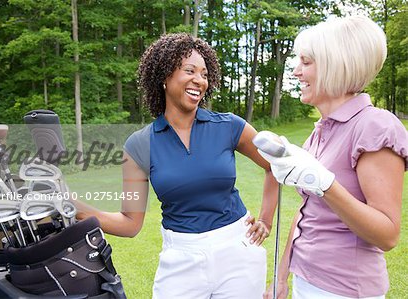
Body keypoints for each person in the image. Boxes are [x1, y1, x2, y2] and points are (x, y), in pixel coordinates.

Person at [76, 33, 279, 298]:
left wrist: (265, 219)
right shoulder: (139, 145)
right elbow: (129, 223)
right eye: (190, 70)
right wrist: (72, 207)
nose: (200, 80)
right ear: (164, 77)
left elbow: (275, 165)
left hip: (238, 252)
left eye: (205, 74)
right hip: (181, 259)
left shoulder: (230, 126)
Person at [259, 15, 408, 299]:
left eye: (306, 62)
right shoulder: (320, 132)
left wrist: (323, 182)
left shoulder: (375, 125)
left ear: (335, 65)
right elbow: (307, 210)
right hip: (308, 279)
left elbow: (387, 234)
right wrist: (281, 277)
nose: (295, 71)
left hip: (344, 290)